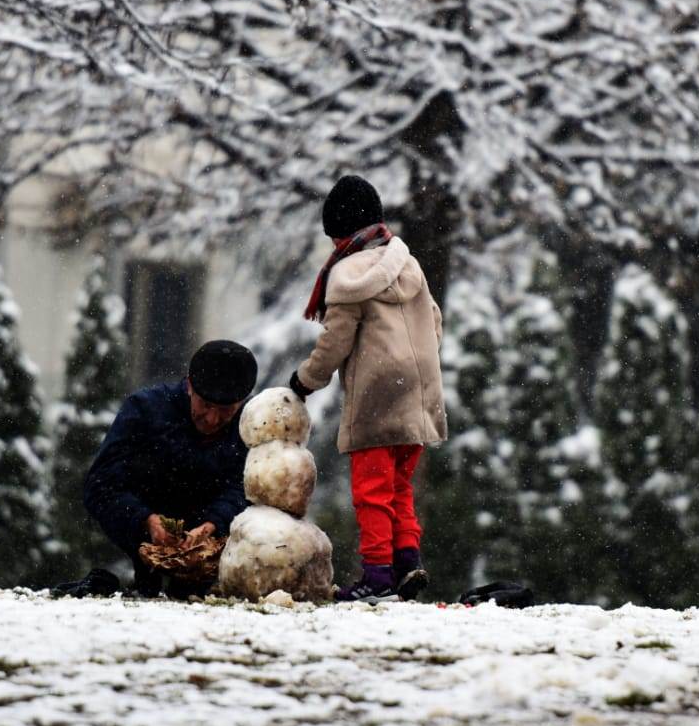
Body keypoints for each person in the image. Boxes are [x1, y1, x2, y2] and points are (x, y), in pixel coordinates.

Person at [289, 175, 447, 601]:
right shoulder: (408, 264)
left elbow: (335, 341)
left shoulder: (345, 275)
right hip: (418, 393)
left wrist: (306, 380)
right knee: (399, 487)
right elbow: (434, 322)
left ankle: (377, 575)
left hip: (377, 394)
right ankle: (407, 563)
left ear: (340, 231)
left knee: (371, 491)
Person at [84, 339, 257, 596]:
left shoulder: (251, 426)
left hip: (217, 542)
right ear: (189, 386)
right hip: (142, 527)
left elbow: (245, 488)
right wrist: (145, 521)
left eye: (225, 411)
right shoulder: (144, 411)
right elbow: (101, 484)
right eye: (205, 405)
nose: (212, 419)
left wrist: (213, 525)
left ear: (242, 403)